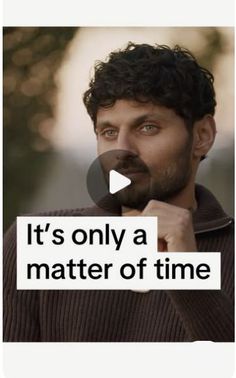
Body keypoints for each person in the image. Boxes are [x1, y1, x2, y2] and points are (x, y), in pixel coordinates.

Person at [4, 42, 234, 342]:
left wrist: (189, 275)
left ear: (202, 136)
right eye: (109, 132)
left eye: (148, 127)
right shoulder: (32, 245)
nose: (123, 150)